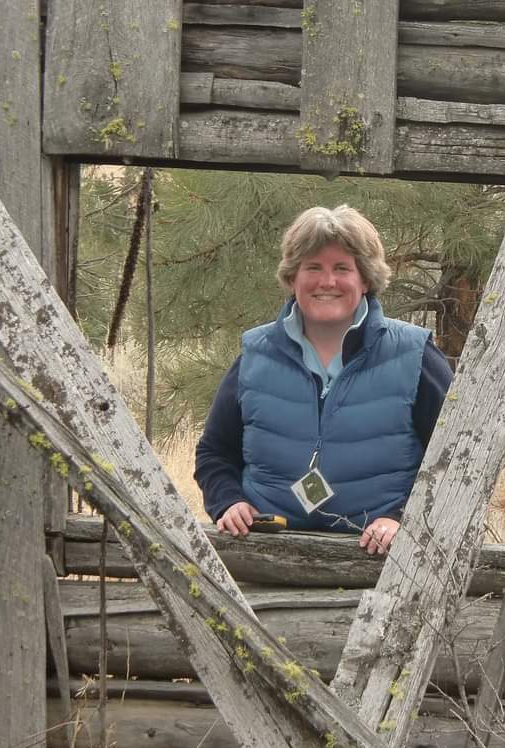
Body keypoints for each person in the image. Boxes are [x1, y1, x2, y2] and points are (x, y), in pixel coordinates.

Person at [193, 205, 453, 555]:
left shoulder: (415, 355)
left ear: (365, 280)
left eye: (342, 268)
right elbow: (214, 453)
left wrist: (401, 518)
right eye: (312, 267)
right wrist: (228, 502)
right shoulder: (255, 355)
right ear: (292, 277)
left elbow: (454, 461)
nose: (326, 281)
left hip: (381, 563)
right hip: (263, 558)